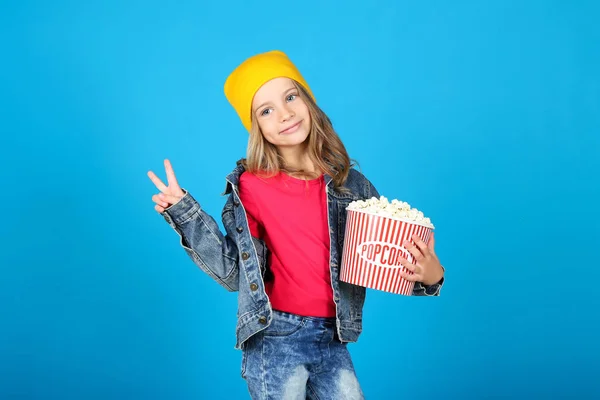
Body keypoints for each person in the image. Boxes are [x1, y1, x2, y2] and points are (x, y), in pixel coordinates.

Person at [147, 50, 445, 400]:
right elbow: (233, 273)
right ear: (256, 126)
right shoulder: (250, 187)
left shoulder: (351, 186)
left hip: (333, 337)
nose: (284, 114)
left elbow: (377, 263)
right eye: (266, 110)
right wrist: (185, 212)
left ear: (308, 102)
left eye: (291, 97)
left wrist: (431, 277)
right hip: (276, 337)